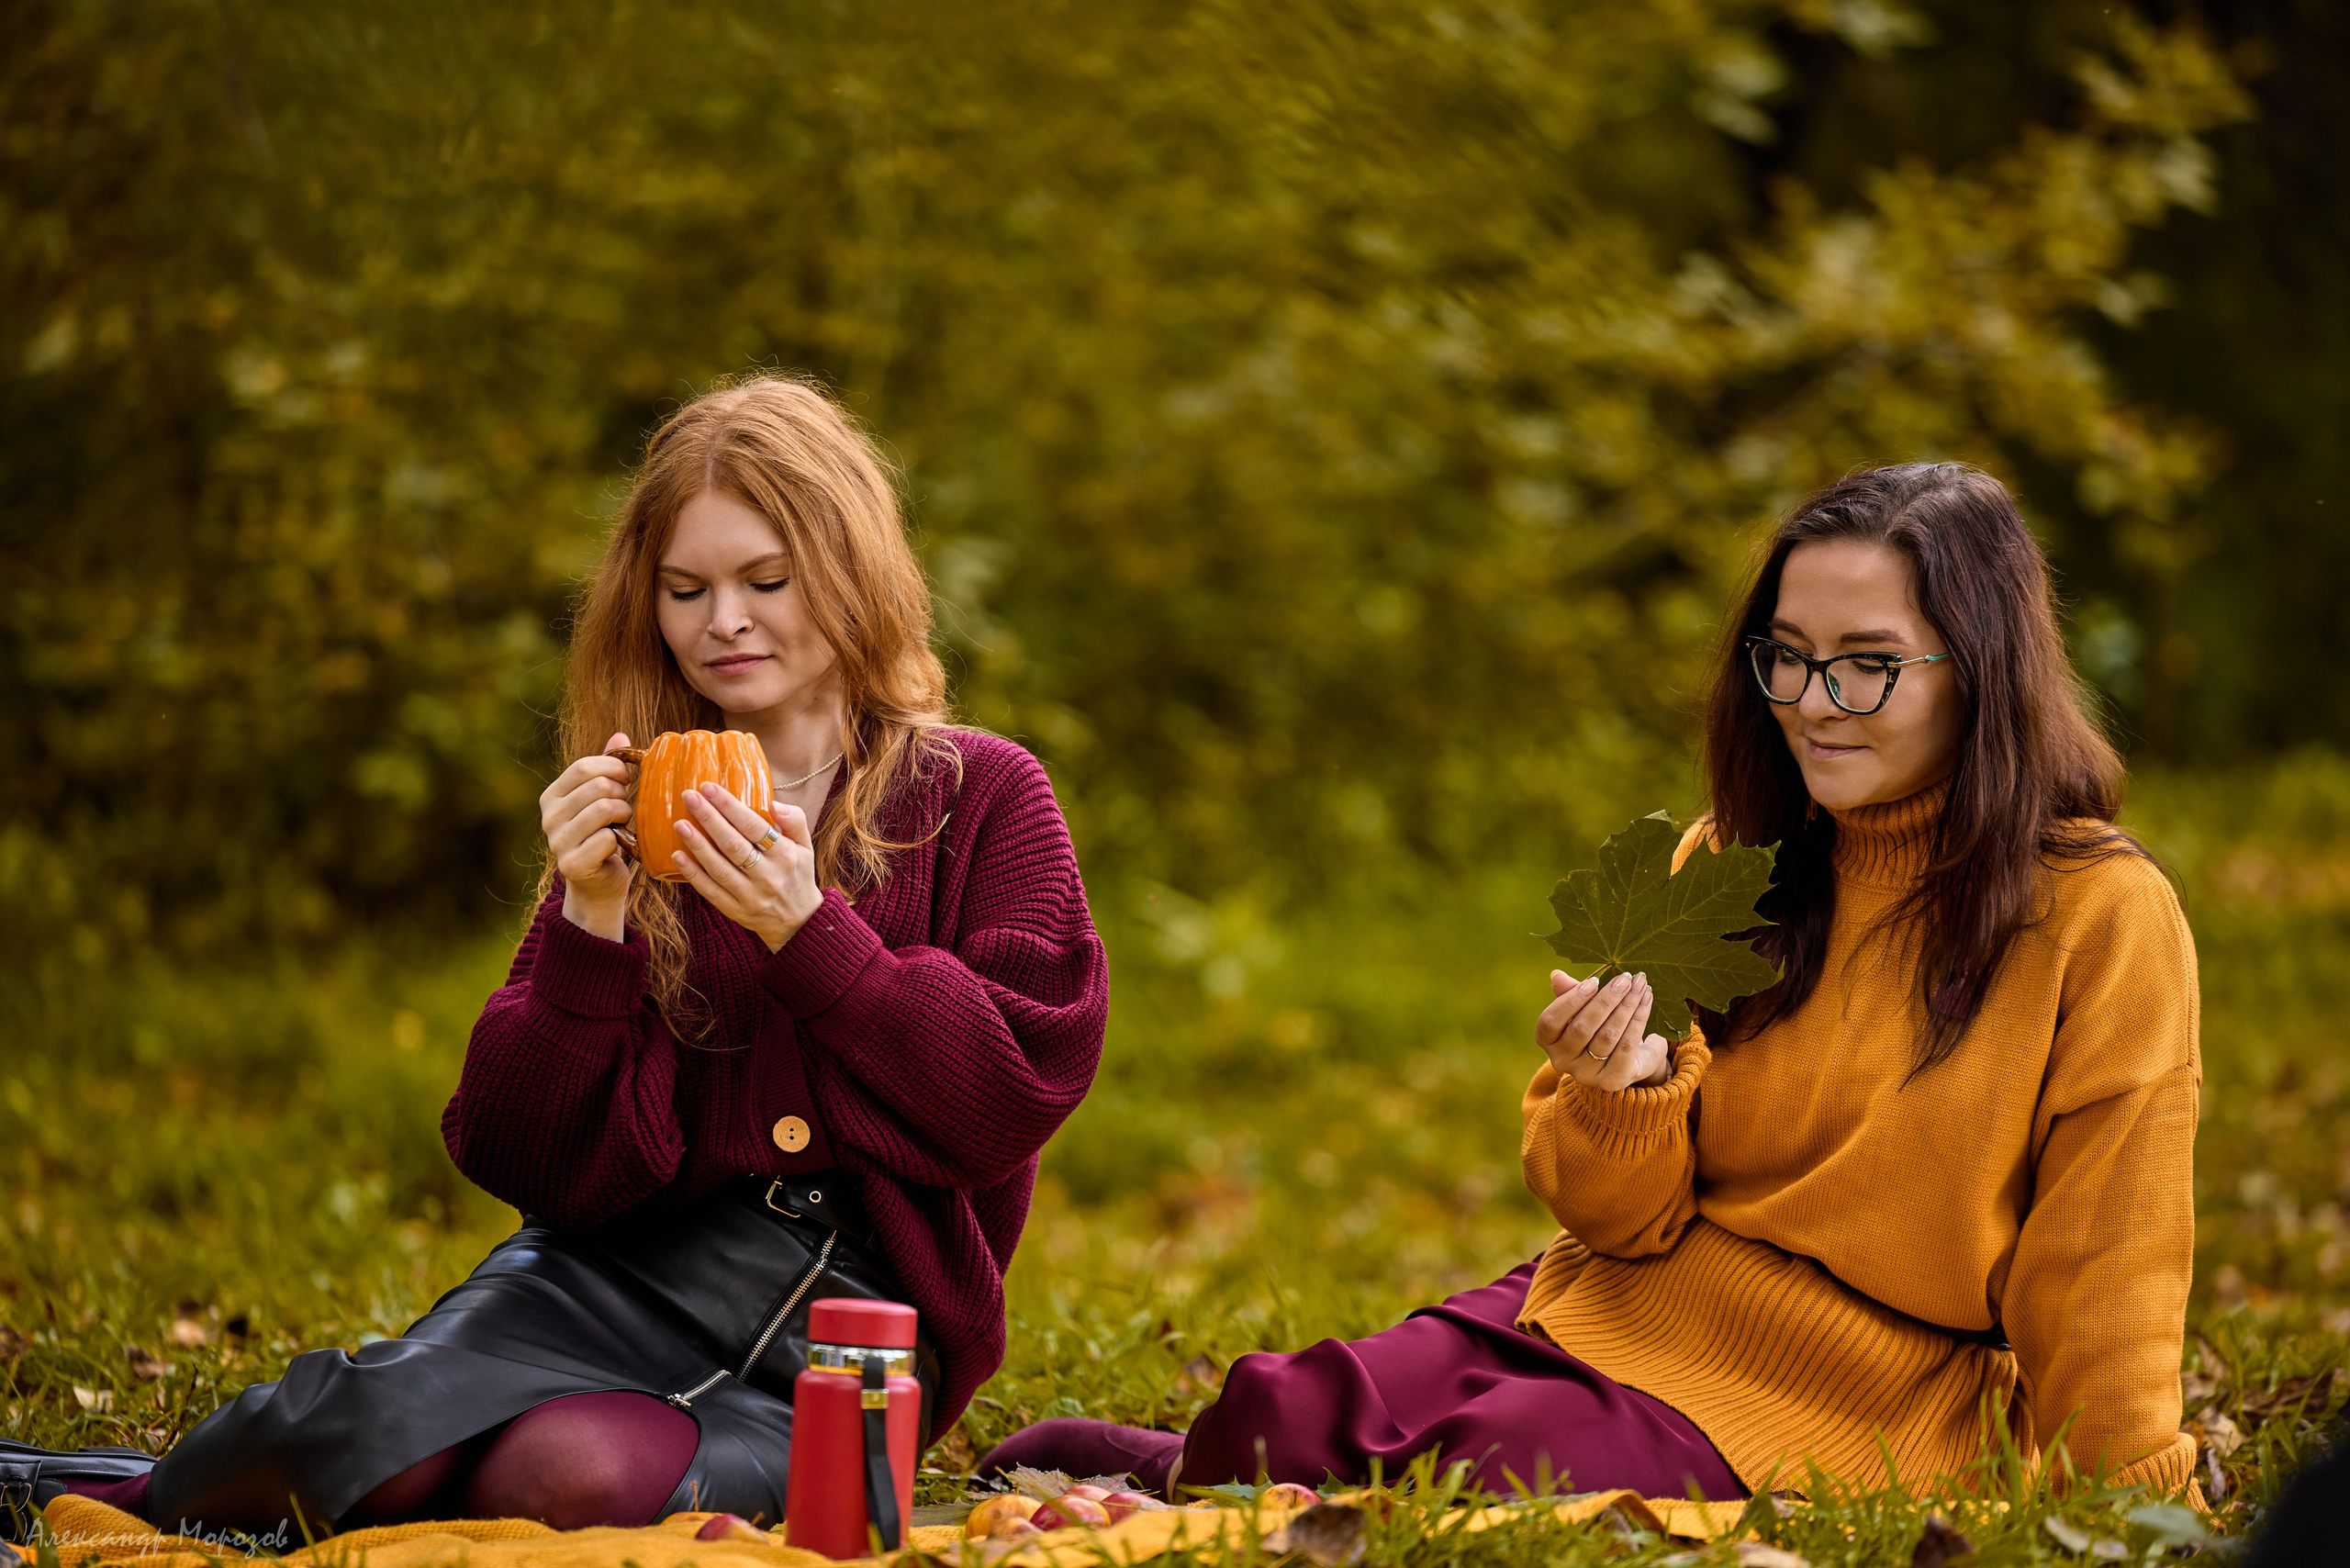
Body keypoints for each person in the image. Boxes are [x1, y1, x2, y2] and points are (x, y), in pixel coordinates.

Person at [3, 375, 1109, 1540]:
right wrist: (590, 923)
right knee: (365, 1438)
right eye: (686, 589)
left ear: (850, 571)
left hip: (844, 1337)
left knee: (564, 1478)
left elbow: (1008, 1096)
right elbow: (517, 1151)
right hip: (603, 1275)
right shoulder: (644, 804)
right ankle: (90, 1495)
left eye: (766, 580)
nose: (724, 620)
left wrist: (812, 935)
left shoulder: (982, 795)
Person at [980, 463, 2200, 1505]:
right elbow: (1614, 1220)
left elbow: (2110, 1263)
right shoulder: (1730, 864)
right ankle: (1198, 1464)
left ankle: (1215, 1482)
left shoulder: (2097, 916)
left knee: (1484, 1474)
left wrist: (2131, 1510)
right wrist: (1622, 1096)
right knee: (1280, 1412)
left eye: (1867, 666)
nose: (1811, 705)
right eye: (1786, 657)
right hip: (1622, 1299)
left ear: (1979, 671)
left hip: (1848, 1394)